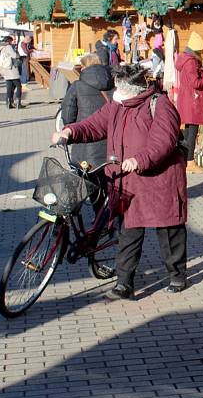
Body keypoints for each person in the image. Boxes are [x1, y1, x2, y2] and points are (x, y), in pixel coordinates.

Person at [52, 64, 189, 299]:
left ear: (131, 89)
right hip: (126, 182)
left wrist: (140, 160)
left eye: (118, 86)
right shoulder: (117, 105)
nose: (114, 89)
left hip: (159, 181)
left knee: (168, 230)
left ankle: (177, 275)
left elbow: (163, 141)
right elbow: (95, 125)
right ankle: (124, 283)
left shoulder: (160, 104)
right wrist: (70, 131)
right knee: (128, 232)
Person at [61, 54, 113, 170]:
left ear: (84, 67)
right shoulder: (114, 84)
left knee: (86, 180)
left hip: (85, 140)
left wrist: (71, 130)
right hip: (111, 142)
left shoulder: (77, 86)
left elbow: (68, 115)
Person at [174, 31, 203, 173]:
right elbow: (196, 83)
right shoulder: (191, 62)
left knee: (188, 132)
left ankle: (185, 160)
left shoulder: (185, 58)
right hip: (193, 100)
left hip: (187, 99)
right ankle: (190, 162)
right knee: (192, 133)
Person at [0, 36, 23, 109]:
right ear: (8, 41)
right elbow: (14, 55)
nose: (12, 42)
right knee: (18, 86)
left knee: (9, 87)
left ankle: (9, 102)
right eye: (11, 41)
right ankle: (18, 102)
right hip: (11, 69)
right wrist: (18, 55)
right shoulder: (8, 47)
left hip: (5, 70)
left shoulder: (1, 47)